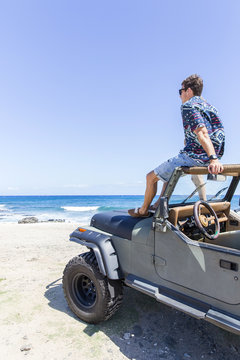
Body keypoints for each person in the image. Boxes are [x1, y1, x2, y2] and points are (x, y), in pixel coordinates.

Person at [128, 74, 225, 218]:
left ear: (189, 91)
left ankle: (142, 211)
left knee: (150, 177)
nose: (180, 96)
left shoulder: (188, 105)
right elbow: (217, 132)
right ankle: (157, 205)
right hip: (212, 153)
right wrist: (215, 155)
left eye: (181, 91)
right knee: (168, 174)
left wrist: (213, 159)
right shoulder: (210, 107)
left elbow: (202, 133)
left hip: (198, 156)